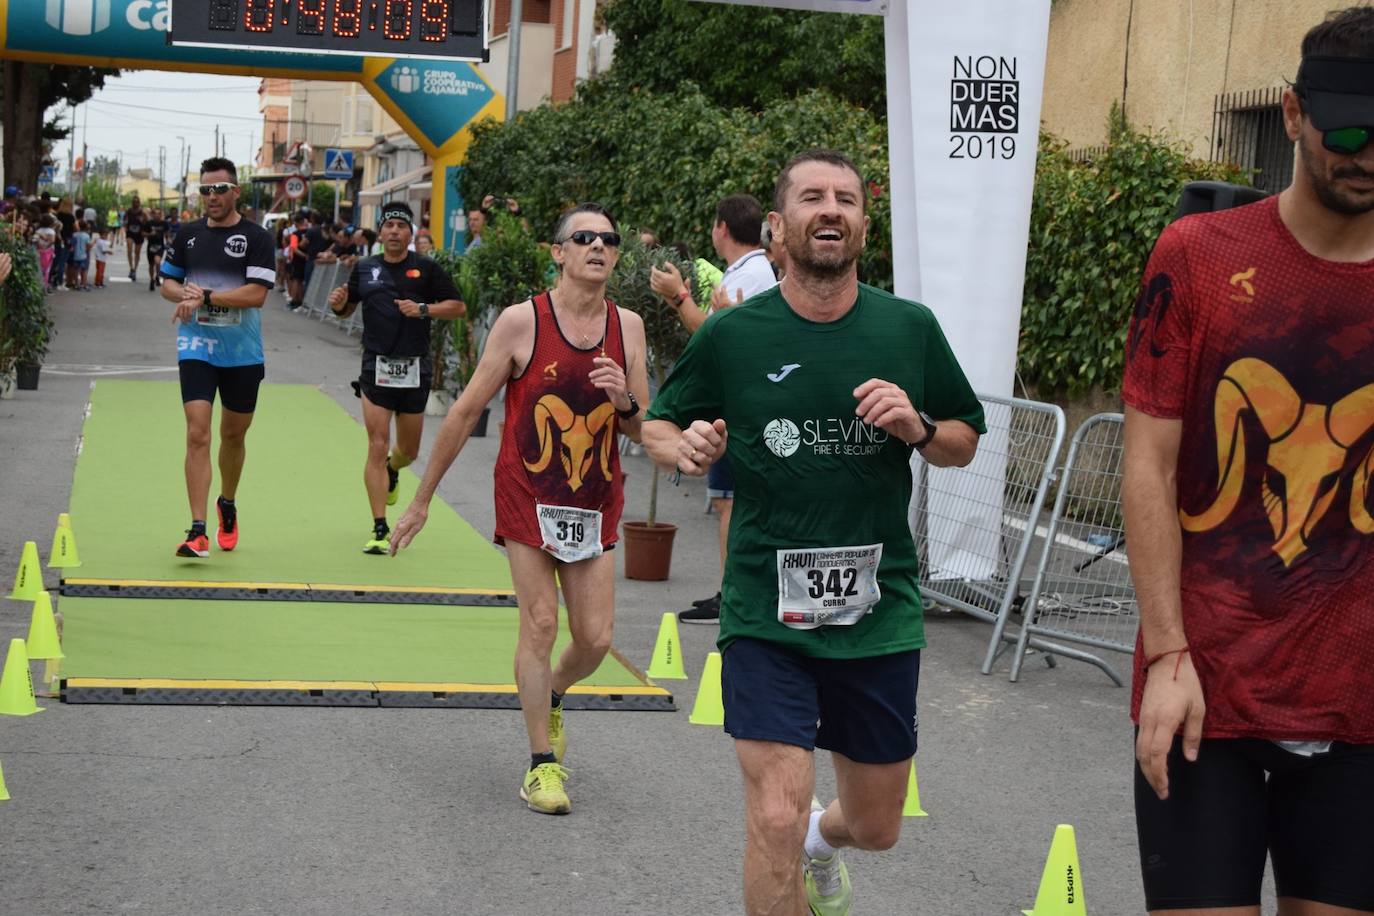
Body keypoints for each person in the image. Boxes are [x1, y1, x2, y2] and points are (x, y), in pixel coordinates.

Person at [641, 150, 984, 916]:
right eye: (812, 198)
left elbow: (964, 438)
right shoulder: (736, 335)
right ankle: (798, 848)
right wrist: (684, 446)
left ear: (863, 224)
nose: (831, 210)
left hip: (879, 612)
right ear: (777, 226)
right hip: (767, 609)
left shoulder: (910, 328)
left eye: (847, 200)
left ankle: (827, 848)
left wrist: (921, 426)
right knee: (773, 817)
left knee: (877, 824)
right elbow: (660, 420)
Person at [1122, 9, 1374, 916]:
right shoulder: (1197, 257)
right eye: (1348, 129)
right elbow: (1147, 463)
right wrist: (1169, 655)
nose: (1368, 153)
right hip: (1207, 689)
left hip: (1362, 702)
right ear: (1293, 113)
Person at [390, 202, 650, 816]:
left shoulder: (628, 327)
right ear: (557, 253)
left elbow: (640, 428)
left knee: (594, 638)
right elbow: (463, 412)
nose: (597, 247)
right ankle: (542, 765)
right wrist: (422, 500)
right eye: (582, 238)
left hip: (593, 499)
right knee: (539, 623)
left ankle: (555, 691)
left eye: (608, 240)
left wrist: (626, 403)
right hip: (528, 495)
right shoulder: (521, 322)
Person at [650, 194, 780, 624]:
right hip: (734, 404)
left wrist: (678, 296)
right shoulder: (746, 269)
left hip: (742, 408)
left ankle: (734, 598)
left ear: (721, 227)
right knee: (729, 503)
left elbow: (716, 335)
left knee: (731, 505)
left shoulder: (756, 272)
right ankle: (731, 593)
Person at [326, 202, 465, 553]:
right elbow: (345, 309)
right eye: (388, 225)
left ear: (410, 233)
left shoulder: (427, 269)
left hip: (414, 367)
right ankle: (379, 527)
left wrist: (423, 309)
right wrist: (337, 303)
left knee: (408, 450)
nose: (393, 232)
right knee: (375, 442)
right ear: (381, 231)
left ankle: (394, 467)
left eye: (401, 226)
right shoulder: (364, 268)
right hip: (376, 365)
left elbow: (457, 307)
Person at [158, 157, 277, 559]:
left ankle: (226, 502)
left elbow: (257, 294)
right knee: (197, 433)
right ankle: (197, 530)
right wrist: (184, 295)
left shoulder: (257, 237)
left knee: (232, 435)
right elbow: (168, 284)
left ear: (235, 191)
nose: (211, 197)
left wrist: (206, 296)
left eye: (218, 190)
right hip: (197, 346)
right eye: (205, 190)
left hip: (242, 352)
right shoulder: (188, 234)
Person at [286, 210, 311, 309]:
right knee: (302, 280)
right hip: (308, 259)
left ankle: (294, 300)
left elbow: (294, 248)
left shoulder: (295, 234)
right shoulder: (309, 232)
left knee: (296, 280)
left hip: (298, 260)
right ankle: (301, 299)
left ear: (296, 223)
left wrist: (303, 255)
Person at [144, 207, 170, 291]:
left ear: (161, 215)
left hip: (160, 246)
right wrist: (150, 234)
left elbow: (167, 234)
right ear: (153, 214)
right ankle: (152, 280)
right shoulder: (149, 223)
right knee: (151, 264)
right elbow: (143, 233)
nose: (157, 215)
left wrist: (169, 241)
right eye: (155, 213)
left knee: (157, 262)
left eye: (159, 214)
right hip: (151, 246)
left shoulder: (164, 223)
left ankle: (157, 276)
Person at [125, 195, 146, 281]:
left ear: (139, 203)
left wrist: (142, 220)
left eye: (137, 202)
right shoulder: (129, 211)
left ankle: (134, 270)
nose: (135, 203)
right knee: (129, 249)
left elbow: (147, 222)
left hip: (139, 234)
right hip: (130, 233)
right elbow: (125, 220)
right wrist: (125, 224)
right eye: (134, 202)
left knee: (137, 252)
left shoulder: (142, 212)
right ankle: (131, 267)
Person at [70, 220, 92, 291]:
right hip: (84, 255)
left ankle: (76, 284)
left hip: (76, 255)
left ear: (78, 226)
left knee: (76, 270)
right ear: (86, 227)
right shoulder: (86, 236)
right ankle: (84, 284)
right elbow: (88, 246)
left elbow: (72, 244)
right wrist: (88, 250)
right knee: (84, 270)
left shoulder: (74, 235)